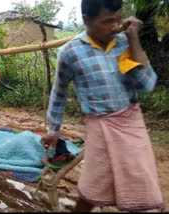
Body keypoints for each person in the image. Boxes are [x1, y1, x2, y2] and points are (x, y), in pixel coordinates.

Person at [41, 0, 164, 212]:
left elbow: (146, 84)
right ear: (87, 20)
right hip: (99, 126)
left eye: (118, 19)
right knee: (93, 189)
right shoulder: (70, 53)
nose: (116, 26)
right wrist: (53, 130)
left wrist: (134, 39)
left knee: (141, 182)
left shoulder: (125, 43)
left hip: (131, 123)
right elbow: (59, 93)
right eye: (108, 21)